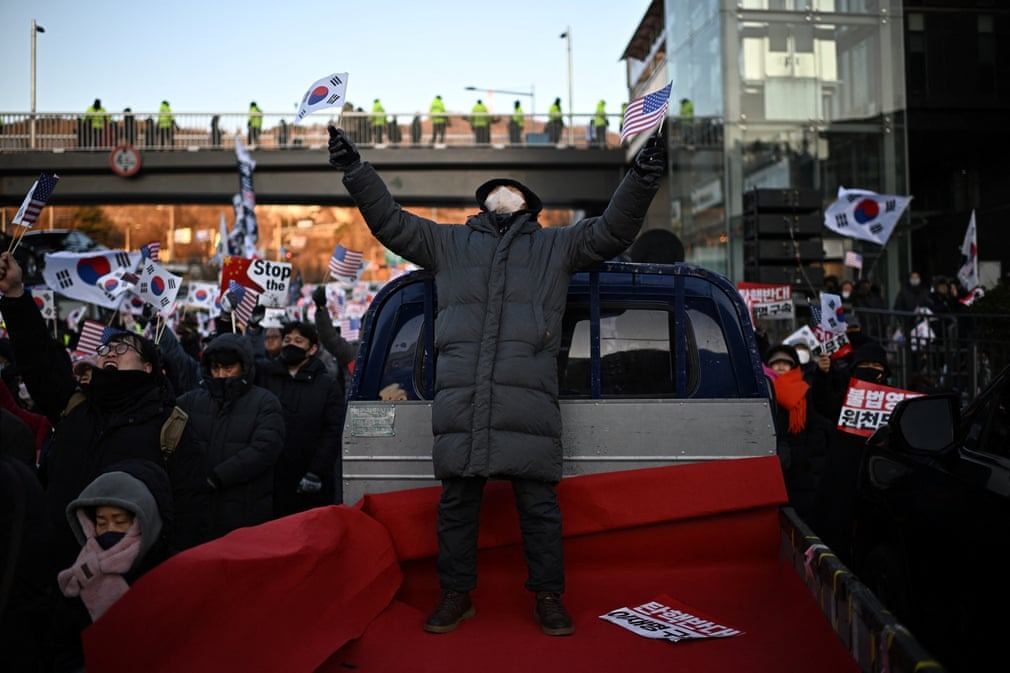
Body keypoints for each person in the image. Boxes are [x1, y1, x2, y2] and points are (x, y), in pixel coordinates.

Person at [327, 123, 667, 636]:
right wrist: (355, 170)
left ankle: (549, 598)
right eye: (490, 191)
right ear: (483, 207)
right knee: (457, 507)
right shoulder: (448, 243)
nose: (498, 192)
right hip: (464, 401)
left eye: (507, 189)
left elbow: (614, 229)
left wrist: (641, 175)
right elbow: (390, 224)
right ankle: (456, 595)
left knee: (539, 509)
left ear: (529, 205)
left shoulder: (557, 246)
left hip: (525, 401)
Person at [0, 252, 208, 564]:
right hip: (56, 568)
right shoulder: (75, 405)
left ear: (149, 366)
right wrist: (15, 294)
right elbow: (40, 358)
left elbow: (190, 512)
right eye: (105, 349)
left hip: (133, 579)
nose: (110, 352)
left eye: (123, 348)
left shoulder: (171, 426)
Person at [54, 459, 174, 671]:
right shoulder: (80, 573)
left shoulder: (167, 574)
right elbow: (61, 641)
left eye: (119, 522)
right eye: (101, 523)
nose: (109, 530)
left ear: (142, 521)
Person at [176, 333, 285, 541]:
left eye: (228, 369)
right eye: (215, 369)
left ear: (243, 367)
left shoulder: (265, 402)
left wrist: (218, 476)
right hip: (197, 508)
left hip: (245, 506)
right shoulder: (191, 401)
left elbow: (265, 448)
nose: (221, 375)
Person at [256, 321, 345, 514]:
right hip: (273, 479)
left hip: (310, 478)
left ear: (312, 348)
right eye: (287, 339)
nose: (291, 344)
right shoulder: (266, 376)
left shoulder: (327, 385)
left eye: (298, 340)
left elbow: (332, 431)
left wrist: (316, 472)